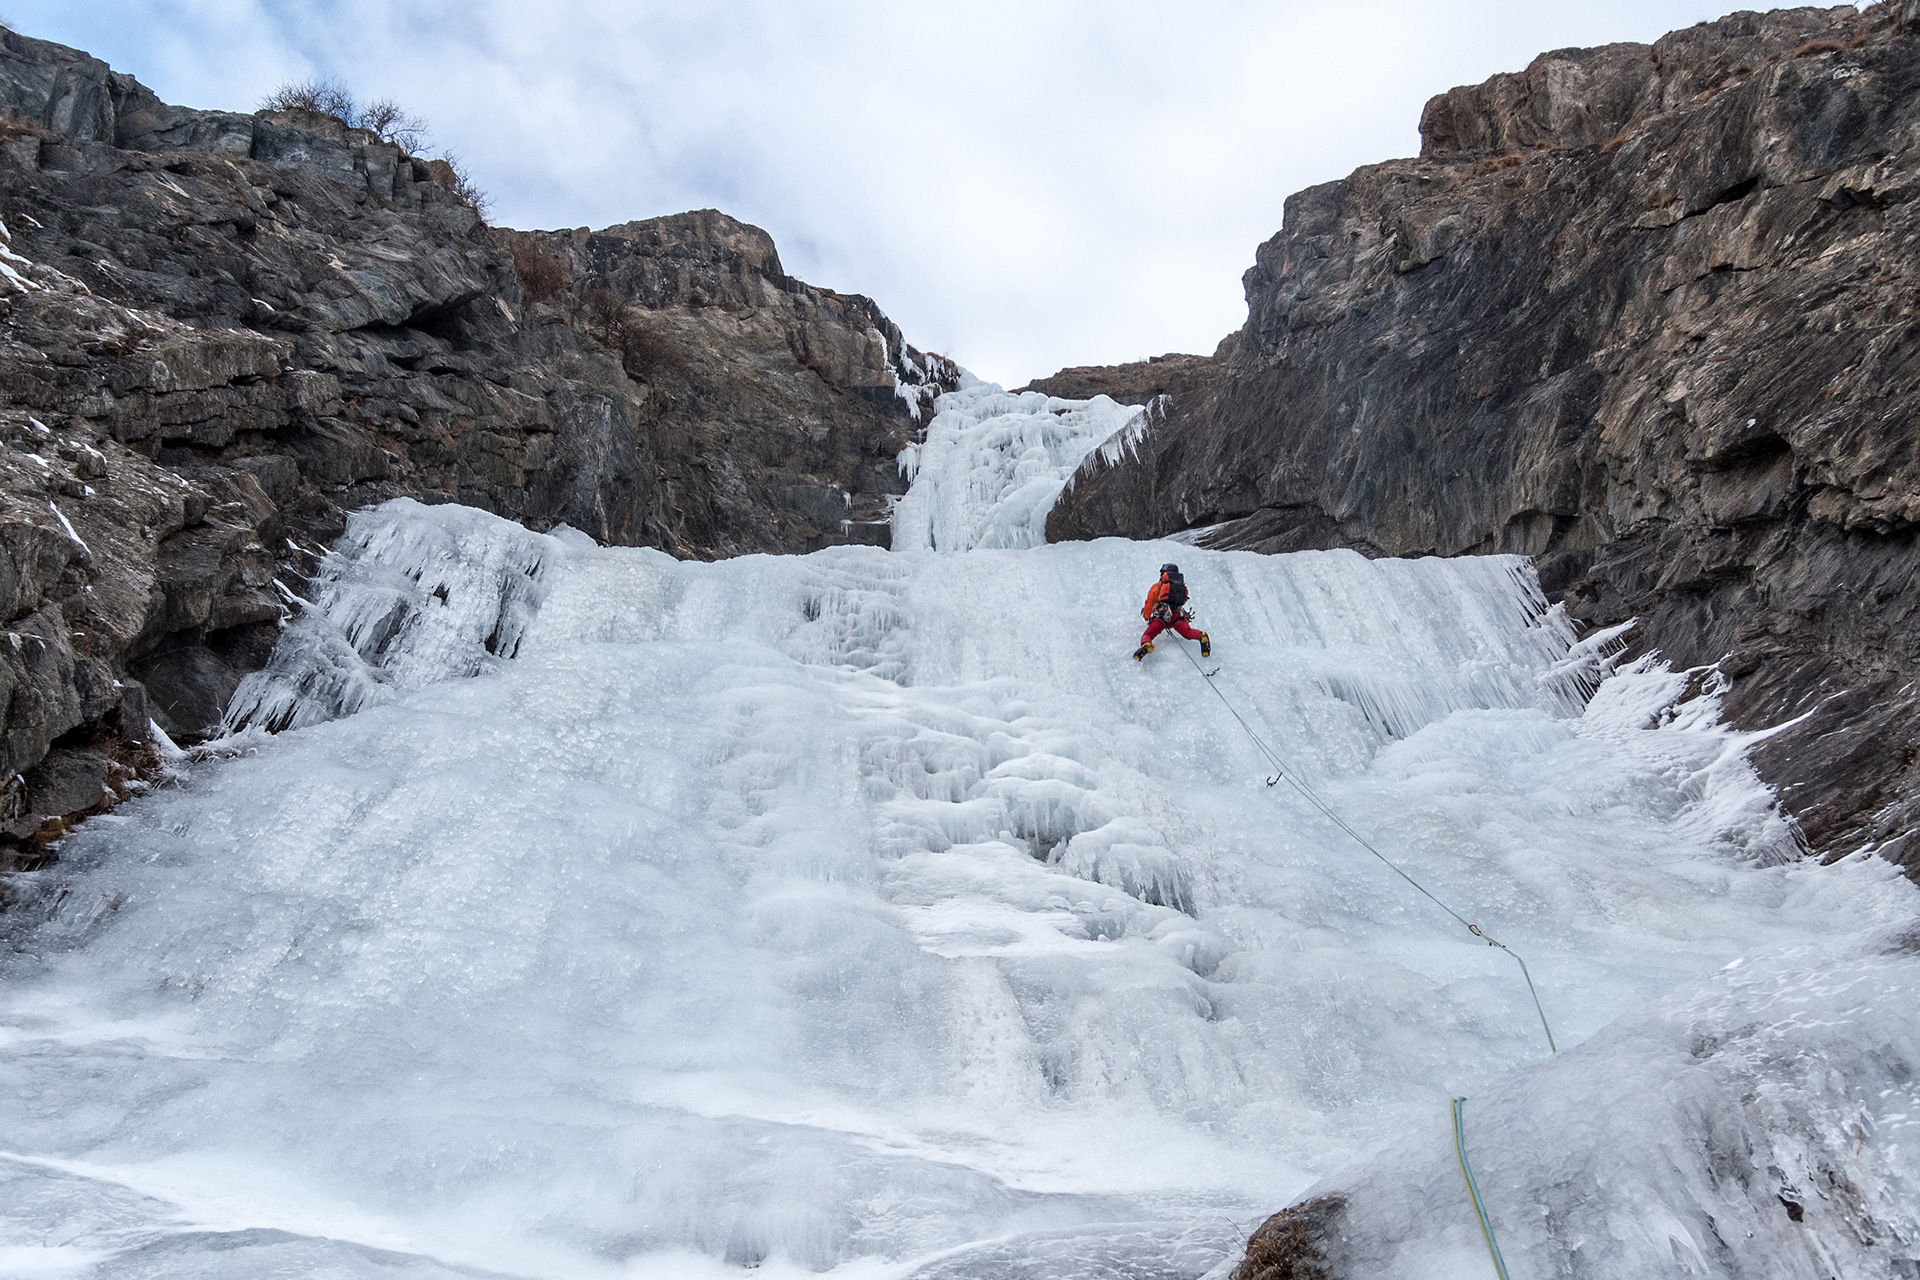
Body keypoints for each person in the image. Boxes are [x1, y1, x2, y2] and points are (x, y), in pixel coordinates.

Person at [1134, 563, 1209, 660]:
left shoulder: (1157, 587)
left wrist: (1147, 616)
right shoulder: (1183, 588)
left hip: (1162, 617)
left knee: (1148, 634)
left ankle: (1147, 644)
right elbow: (1183, 600)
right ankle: (1200, 635)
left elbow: (1149, 603)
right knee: (1187, 632)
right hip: (1177, 617)